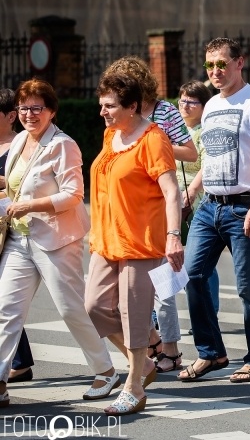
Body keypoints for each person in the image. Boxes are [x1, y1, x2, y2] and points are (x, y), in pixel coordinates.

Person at [0, 79, 118, 410]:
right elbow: (17, 184)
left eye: (37, 108)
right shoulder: (21, 140)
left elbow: (73, 195)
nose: (29, 114)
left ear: (51, 111)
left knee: (70, 309)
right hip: (19, 239)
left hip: (55, 240)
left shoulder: (63, 145)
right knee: (6, 312)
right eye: (24, 107)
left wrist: (29, 205)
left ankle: (105, 370)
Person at [179, 37, 250, 384]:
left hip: (243, 207)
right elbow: (211, 158)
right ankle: (211, 353)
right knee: (192, 275)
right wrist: (191, 193)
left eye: (222, 64)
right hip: (210, 207)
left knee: (248, 286)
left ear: (240, 62)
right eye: (210, 66)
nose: (216, 72)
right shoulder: (210, 107)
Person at [85, 71, 184, 415]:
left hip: (141, 241)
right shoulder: (111, 134)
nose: (103, 112)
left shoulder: (153, 139)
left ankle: (134, 386)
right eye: (102, 106)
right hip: (107, 238)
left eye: (110, 106)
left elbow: (171, 191)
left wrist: (174, 236)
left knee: (133, 311)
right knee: (95, 306)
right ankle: (147, 356)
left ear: (133, 107)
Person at [100, 56, 195, 373]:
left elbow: (191, 152)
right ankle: (153, 345)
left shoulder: (164, 112)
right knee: (124, 298)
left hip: (160, 205)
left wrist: (155, 145)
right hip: (128, 214)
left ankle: (169, 349)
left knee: (164, 289)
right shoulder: (115, 123)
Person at [176, 80, 220, 321]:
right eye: (182, 100)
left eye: (192, 101)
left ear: (204, 106)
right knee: (166, 257)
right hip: (171, 199)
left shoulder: (206, 132)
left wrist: (192, 191)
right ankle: (158, 315)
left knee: (201, 259)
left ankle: (208, 312)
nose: (185, 105)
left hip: (198, 200)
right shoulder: (173, 131)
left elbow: (208, 165)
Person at [0, 89, 34, 384]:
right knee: (5, 303)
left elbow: (25, 185)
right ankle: (20, 360)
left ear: (11, 117)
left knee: (7, 300)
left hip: (11, 231)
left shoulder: (18, 145)